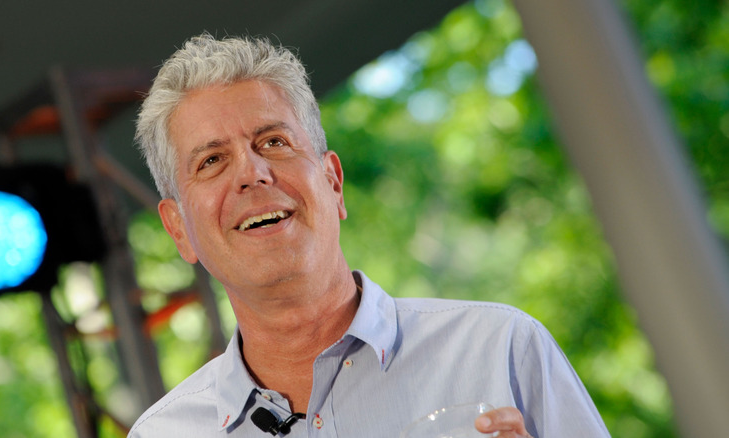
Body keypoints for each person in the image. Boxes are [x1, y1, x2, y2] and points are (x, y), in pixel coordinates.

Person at [128, 33, 610, 437]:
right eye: (211, 161)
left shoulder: (500, 348)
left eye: (273, 142)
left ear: (333, 183)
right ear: (178, 229)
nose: (252, 174)